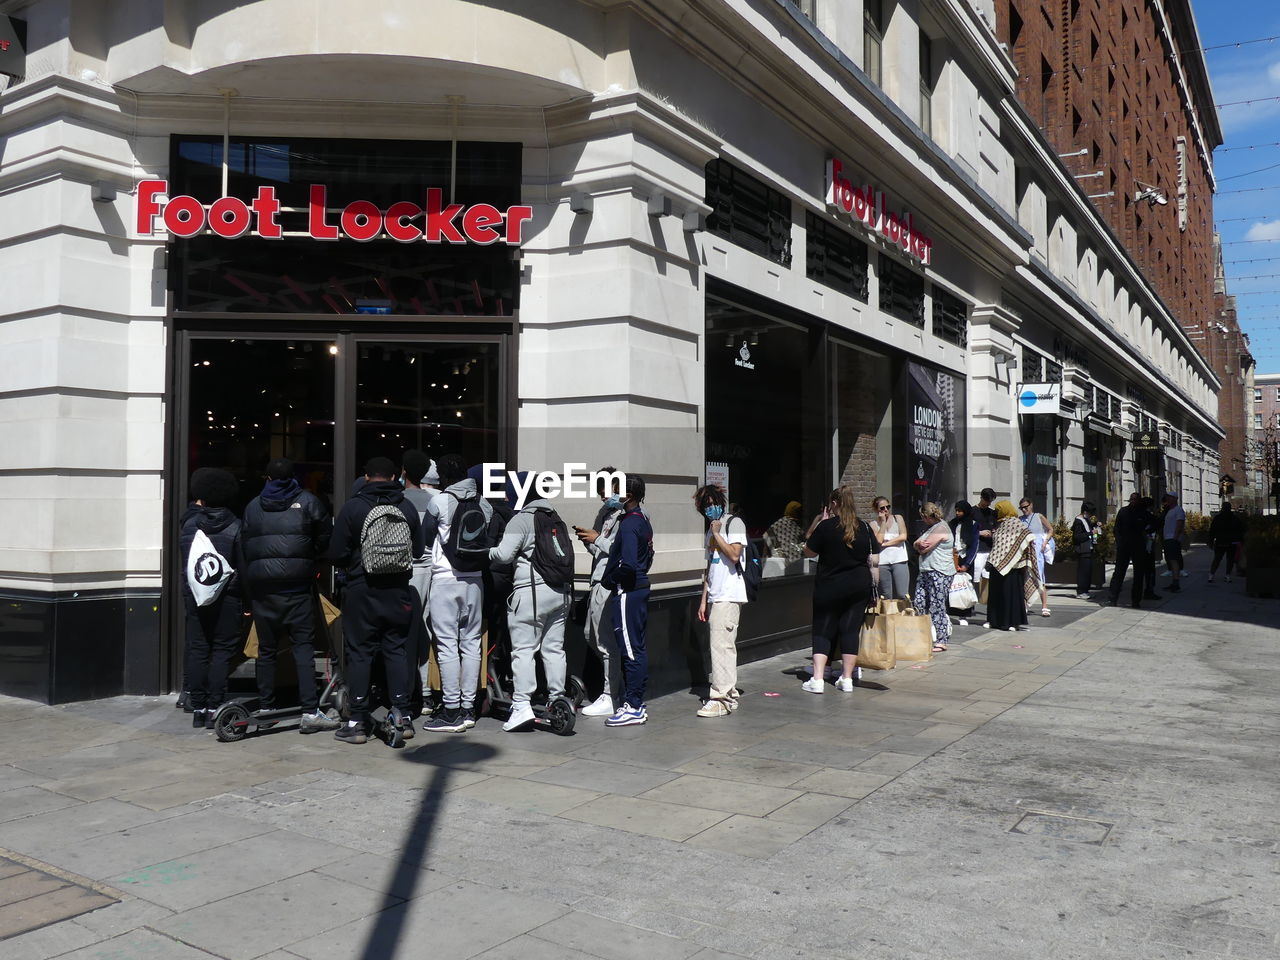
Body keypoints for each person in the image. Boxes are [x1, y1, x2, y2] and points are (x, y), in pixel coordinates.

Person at [327, 457, 424, 744]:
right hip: (398, 590)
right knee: (396, 649)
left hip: (361, 589)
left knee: (360, 652)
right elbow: (418, 550)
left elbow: (336, 554)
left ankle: (357, 721)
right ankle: (402, 715)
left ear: (366, 477)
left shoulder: (353, 507)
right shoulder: (405, 507)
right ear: (396, 476)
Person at [240, 458, 339, 734]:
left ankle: (268, 707)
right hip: (298, 586)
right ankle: (310, 710)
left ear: (268, 478)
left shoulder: (253, 506)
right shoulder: (308, 502)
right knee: (303, 648)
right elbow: (324, 539)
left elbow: (245, 544)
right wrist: (310, 560)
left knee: (266, 650)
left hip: (263, 589)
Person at [485, 477, 571, 731]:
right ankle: (558, 700)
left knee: (524, 650)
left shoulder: (522, 519)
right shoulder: (556, 517)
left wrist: (485, 551)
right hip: (561, 593)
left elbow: (504, 555)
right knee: (554, 649)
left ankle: (521, 704)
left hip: (532, 593)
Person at [421, 454, 493, 733]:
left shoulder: (439, 501)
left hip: (445, 578)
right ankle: (468, 708)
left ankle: (450, 711)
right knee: (472, 642)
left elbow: (427, 539)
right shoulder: (483, 503)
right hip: (475, 580)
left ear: (445, 476)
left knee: (448, 644)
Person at [180, 468, 245, 729]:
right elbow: (241, 565)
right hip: (227, 597)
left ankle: (197, 706)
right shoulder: (236, 526)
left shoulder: (189, 525)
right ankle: (215, 705)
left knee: (198, 649)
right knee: (221, 652)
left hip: (196, 597)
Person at [802, 487, 875, 693]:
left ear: (834, 503)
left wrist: (820, 523)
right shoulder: (865, 527)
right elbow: (875, 557)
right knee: (850, 631)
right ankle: (846, 679)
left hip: (830, 585)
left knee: (823, 629)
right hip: (859, 585)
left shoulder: (826, 526)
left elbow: (808, 551)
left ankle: (817, 680)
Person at [601, 475, 654, 727]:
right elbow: (649, 555)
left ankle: (633, 706)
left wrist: (611, 579)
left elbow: (630, 564)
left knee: (631, 650)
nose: (613, 495)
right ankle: (635, 703)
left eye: (616, 491)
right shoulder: (642, 519)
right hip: (638, 588)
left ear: (628, 496)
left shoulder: (631, 524)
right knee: (637, 647)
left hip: (628, 591)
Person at [574, 468, 624, 717]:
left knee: (605, 642)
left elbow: (620, 549)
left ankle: (610, 695)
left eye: (605, 491)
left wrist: (597, 540)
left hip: (609, 583)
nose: (602, 496)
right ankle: (615, 689)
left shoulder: (626, 514)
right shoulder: (605, 513)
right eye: (599, 492)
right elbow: (600, 549)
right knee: (590, 636)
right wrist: (590, 541)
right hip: (597, 581)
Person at [694, 484, 747, 717]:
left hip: (730, 594)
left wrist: (717, 533)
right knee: (723, 646)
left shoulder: (733, 523)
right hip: (716, 595)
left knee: (721, 646)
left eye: (712, 503)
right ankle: (729, 695)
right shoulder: (711, 529)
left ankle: (720, 697)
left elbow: (735, 555)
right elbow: (710, 568)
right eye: (704, 506)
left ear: (720, 502)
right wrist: (704, 600)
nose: (709, 509)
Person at [400, 450, 437, 714]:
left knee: (406, 631)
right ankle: (424, 692)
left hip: (407, 569)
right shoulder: (437, 501)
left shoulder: (398, 500)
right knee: (426, 629)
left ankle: (411, 690)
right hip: (433, 569)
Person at [984, 500, 1039, 631]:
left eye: (998, 510)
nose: (996, 512)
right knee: (996, 595)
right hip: (997, 565)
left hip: (1014, 567)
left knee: (1011, 594)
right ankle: (994, 620)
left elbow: (1027, 536)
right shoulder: (1000, 524)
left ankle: (1011, 622)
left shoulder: (1016, 523)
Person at [913, 502, 956, 653]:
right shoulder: (932, 528)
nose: (922, 520)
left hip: (940, 571)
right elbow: (917, 544)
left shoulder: (941, 528)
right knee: (919, 601)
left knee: (937, 605)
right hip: (926, 570)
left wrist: (918, 544)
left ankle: (942, 638)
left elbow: (924, 547)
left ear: (926, 516)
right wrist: (917, 544)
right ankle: (924, 635)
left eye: (922, 517)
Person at [1018, 498, 1053, 617]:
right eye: (1022, 508)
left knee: (1040, 576)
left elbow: (1050, 529)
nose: (1024, 509)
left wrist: (1045, 541)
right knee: (1025, 576)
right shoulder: (1020, 520)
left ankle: (1044, 605)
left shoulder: (1038, 516)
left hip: (1037, 549)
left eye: (1026, 506)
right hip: (1025, 551)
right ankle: (1025, 604)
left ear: (1031, 505)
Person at [870, 496, 909, 599]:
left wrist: (886, 544)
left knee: (902, 594)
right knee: (886, 595)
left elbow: (903, 536)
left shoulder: (898, 518)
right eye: (882, 508)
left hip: (899, 560)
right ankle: (888, 615)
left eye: (888, 507)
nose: (886, 510)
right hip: (883, 562)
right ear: (876, 510)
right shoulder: (873, 524)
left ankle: (904, 614)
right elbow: (878, 540)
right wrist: (882, 522)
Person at [949, 500, 978, 625]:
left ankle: (964, 615)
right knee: (953, 586)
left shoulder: (973, 524)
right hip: (953, 557)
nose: (957, 513)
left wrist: (967, 564)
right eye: (956, 510)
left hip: (966, 558)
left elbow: (974, 546)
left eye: (959, 511)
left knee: (965, 585)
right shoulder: (952, 523)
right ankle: (951, 611)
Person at [1208, 501, 1245, 583]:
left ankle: (1211, 575)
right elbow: (1241, 530)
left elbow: (1212, 531)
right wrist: (1240, 540)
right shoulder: (1235, 519)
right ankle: (1227, 575)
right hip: (1232, 542)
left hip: (1220, 541)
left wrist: (1210, 541)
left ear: (1222, 508)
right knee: (1230, 560)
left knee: (1217, 559)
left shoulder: (1218, 518)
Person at [1070, 501, 1098, 600]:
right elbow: (1077, 537)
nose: (1091, 515)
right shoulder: (1078, 521)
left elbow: (1090, 528)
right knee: (1083, 571)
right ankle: (1081, 591)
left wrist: (1095, 525)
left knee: (1088, 571)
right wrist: (1090, 533)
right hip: (1082, 550)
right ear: (1085, 512)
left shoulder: (1086, 520)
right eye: (1090, 513)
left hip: (1089, 548)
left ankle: (1085, 591)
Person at [1160, 493, 1187, 591]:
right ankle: (1174, 581)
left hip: (1172, 538)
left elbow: (1180, 524)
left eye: (1170, 497)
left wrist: (1175, 537)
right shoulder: (1169, 510)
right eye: (1167, 497)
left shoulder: (1178, 510)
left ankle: (1176, 583)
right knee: (1171, 560)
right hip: (1168, 538)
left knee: (1174, 560)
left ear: (1175, 499)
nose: (1168, 499)